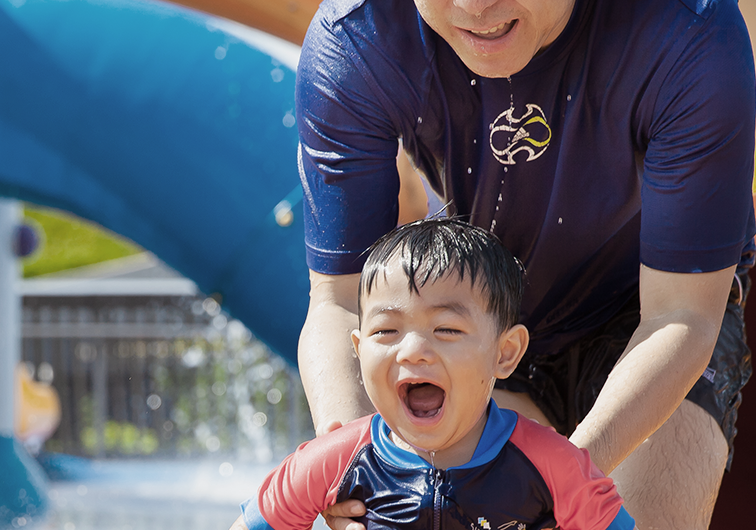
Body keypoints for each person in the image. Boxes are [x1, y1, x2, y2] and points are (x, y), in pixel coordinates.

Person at [295, 0, 756, 527]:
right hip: (478, 313)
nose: (471, 2)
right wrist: (355, 464)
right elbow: (338, 303)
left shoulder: (684, 26)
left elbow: (682, 314)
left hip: (648, 314)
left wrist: (559, 479)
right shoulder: (357, 41)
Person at [235, 220, 633, 530]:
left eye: (446, 330)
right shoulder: (337, 463)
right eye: (386, 331)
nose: (412, 350)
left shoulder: (548, 464)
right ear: (358, 351)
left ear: (504, 352)